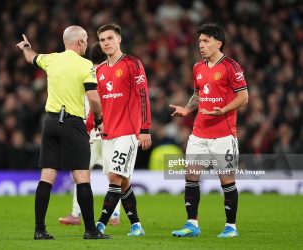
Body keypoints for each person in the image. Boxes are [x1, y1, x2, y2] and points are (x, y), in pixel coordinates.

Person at [16, 26, 110, 240]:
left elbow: (31, 57)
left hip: (50, 122)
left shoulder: (51, 59)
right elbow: (94, 98)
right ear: (79, 42)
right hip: (72, 123)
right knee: (82, 177)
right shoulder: (85, 64)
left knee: (47, 177)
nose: (87, 44)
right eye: (85, 40)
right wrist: (98, 119)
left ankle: (39, 230)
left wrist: (26, 47)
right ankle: (90, 230)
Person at [170, 23, 248, 238]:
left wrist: (223, 109)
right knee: (191, 177)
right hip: (199, 133)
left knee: (227, 180)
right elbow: (198, 94)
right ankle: (191, 224)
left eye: (206, 41)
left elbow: (244, 97)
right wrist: (187, 109)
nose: (201, 45)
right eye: (200, 42)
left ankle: (231, 227)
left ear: (218, 43)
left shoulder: (231, 67)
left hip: (224, 134)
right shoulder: (198, 67)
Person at [94, 23, 152, 237]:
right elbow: (96, 103)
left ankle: (99, 225)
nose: (106, 43)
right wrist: (91, 125)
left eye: (110, 38)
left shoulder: (132, 63)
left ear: (119, 39)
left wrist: (145, 128)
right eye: (102, 40)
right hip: (108, 134)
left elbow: (144, 96)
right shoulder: (99, 70)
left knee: (114, 178)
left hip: (128, 132)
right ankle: (136, 225)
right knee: (123, 180)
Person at [59, 42, 121, 226]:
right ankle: (114, 216)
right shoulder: (111, 72)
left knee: (81, 173)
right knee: (114, 174)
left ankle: (76, 215)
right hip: (110, 130)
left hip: (90, 131)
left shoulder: (86, 71)